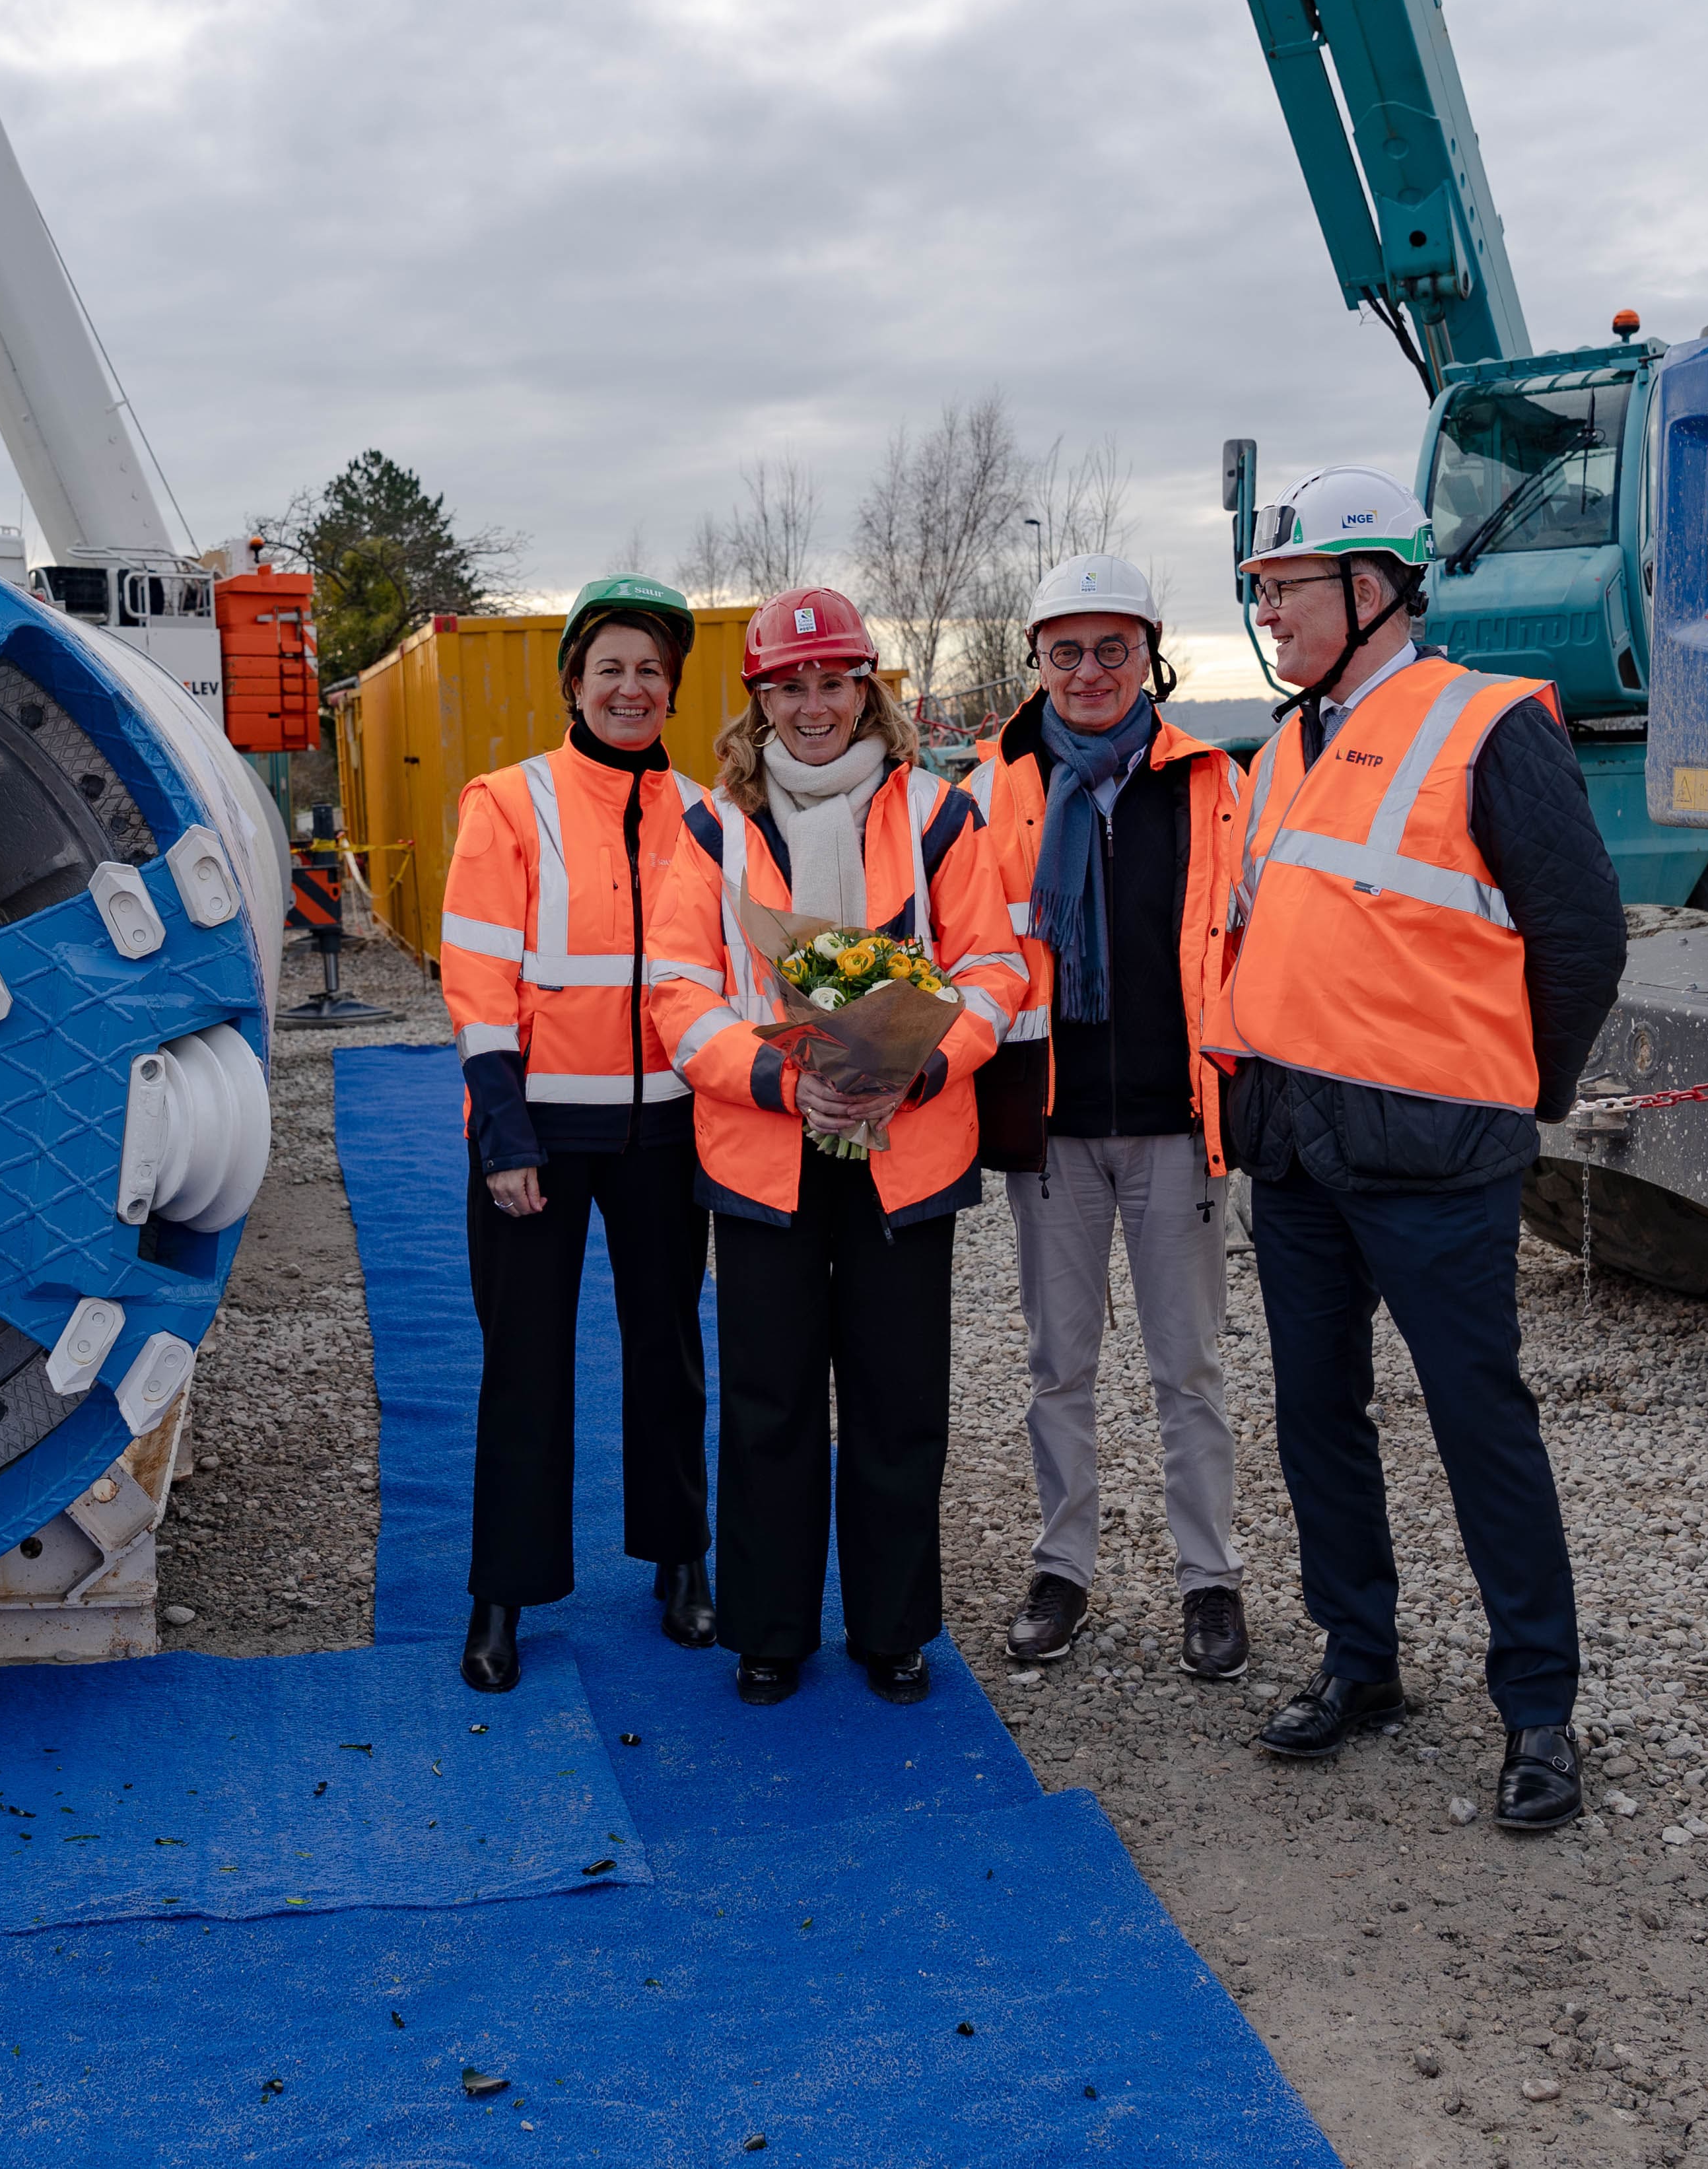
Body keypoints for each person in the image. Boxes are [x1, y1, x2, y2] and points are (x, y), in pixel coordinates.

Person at [1206, 466, 1625, 1832]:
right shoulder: (1281, 749)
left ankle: (1540, 1709)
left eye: (1289, 588)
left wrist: (1521, 1088)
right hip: (1298, 1148)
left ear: (1373, 587)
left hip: (1441, 1150)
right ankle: (1359, 1657)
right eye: (1263, 591)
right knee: (1316, 1415)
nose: (1270, 610)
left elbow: (1581, 936)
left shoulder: (1488, 722)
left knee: (1477, 1420)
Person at [644, 587, 1021, 1707]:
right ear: (756, 702)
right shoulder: (710, 829)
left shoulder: (939, 815)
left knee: (898, 1400)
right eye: (789, 687)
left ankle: (892, 1628)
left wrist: (919, 1065)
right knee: (769, 1401)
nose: (814, 706)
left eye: (833, 681)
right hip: (768, 1154)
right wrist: (777, 1080)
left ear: (869, 688)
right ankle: (770, 1629)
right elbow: (676, 989)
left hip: (907, 1149)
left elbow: (997, 970)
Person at [966, 554, 1250, 1678]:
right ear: (1035, 660)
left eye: (1111, 649)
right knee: (1057, 1366)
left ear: (1150, 654)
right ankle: (1062, 1570)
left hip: (1180, 1122)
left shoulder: (1212, 783)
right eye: (1065, 651)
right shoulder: (993, 788)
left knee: (1189, 1370)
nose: (1088, 672)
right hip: (1055, 1124)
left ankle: (1210, 1581)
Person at [437, 576, 720, 1695]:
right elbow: (475, 975)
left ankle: (681, 1558)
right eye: (610, 666)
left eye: (651, 669)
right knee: (524, 1366)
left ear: (671, 690)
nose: (631, 687)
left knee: (670, 1355)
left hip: (667, 1134)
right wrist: (504, 1136)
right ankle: (502, 1592)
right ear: (573, 682)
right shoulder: (507, 803)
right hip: (536, 1132)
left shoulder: (708, 812)